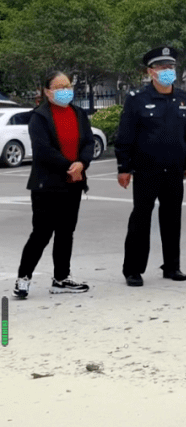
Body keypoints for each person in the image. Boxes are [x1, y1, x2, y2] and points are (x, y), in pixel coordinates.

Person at [115, 47, 186, 287]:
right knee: (141, 219)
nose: (167, 71)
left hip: (173, 170)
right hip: (146, 169)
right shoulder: (137, 99)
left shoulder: (184, 98)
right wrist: (123, 167)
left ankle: (172, 266)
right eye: (162, 68)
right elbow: (126, 135)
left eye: (170, 67)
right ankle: (133, 269)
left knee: (172, 219)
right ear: (150, 71)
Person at [12, 72, 96, 298]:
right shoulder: (40, 117)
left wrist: (82, 163)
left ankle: (61, 278)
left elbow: (88, 141)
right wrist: (71, 166)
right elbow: (43, 150)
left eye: (67, 85)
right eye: (58, 86)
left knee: (66, 232)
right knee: (41, 233)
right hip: (47, 185)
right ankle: (23, 278)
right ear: (47, 91)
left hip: (74, 184)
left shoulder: (78, 114)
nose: (64, 90)